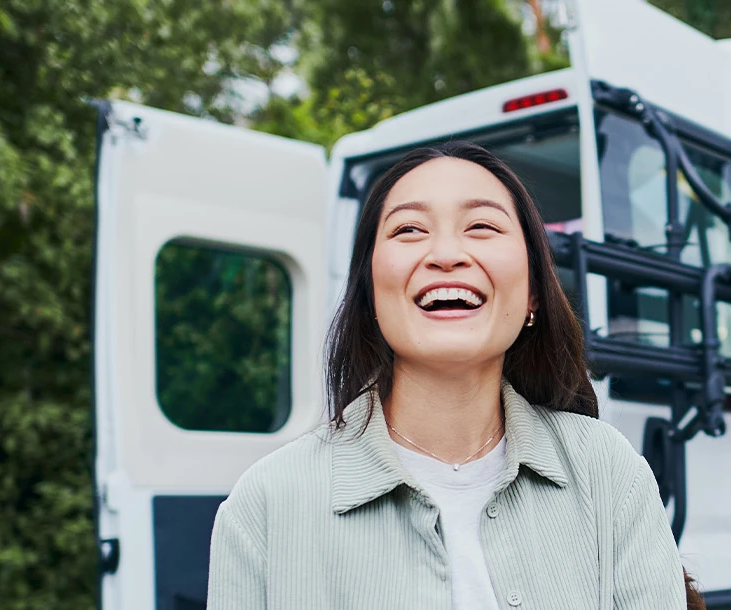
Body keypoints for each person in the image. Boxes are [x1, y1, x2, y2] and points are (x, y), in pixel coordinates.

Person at [207, 142, 689, 609]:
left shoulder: (607, 470)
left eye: (481, 226)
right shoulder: (268, 502)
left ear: (533, 295)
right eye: (410, 230)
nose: (445, 253)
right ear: (371, 295)